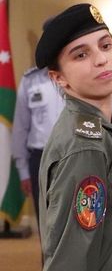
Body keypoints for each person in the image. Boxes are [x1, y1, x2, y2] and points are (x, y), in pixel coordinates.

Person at [35, 3, 112, 271]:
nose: (101, 59)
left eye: (105, 45)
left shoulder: (109, 126)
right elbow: (70, 264)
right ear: (59, 78)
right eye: (81, 55)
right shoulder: (85, 146)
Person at [11, 66, 64, 230]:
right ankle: (47, 256)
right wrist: (22, 170)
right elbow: (21, 127)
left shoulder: (78, 73)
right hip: (40, 159)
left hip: (73, 154)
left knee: (77, 217)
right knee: (46, 222)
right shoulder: (30, 80)